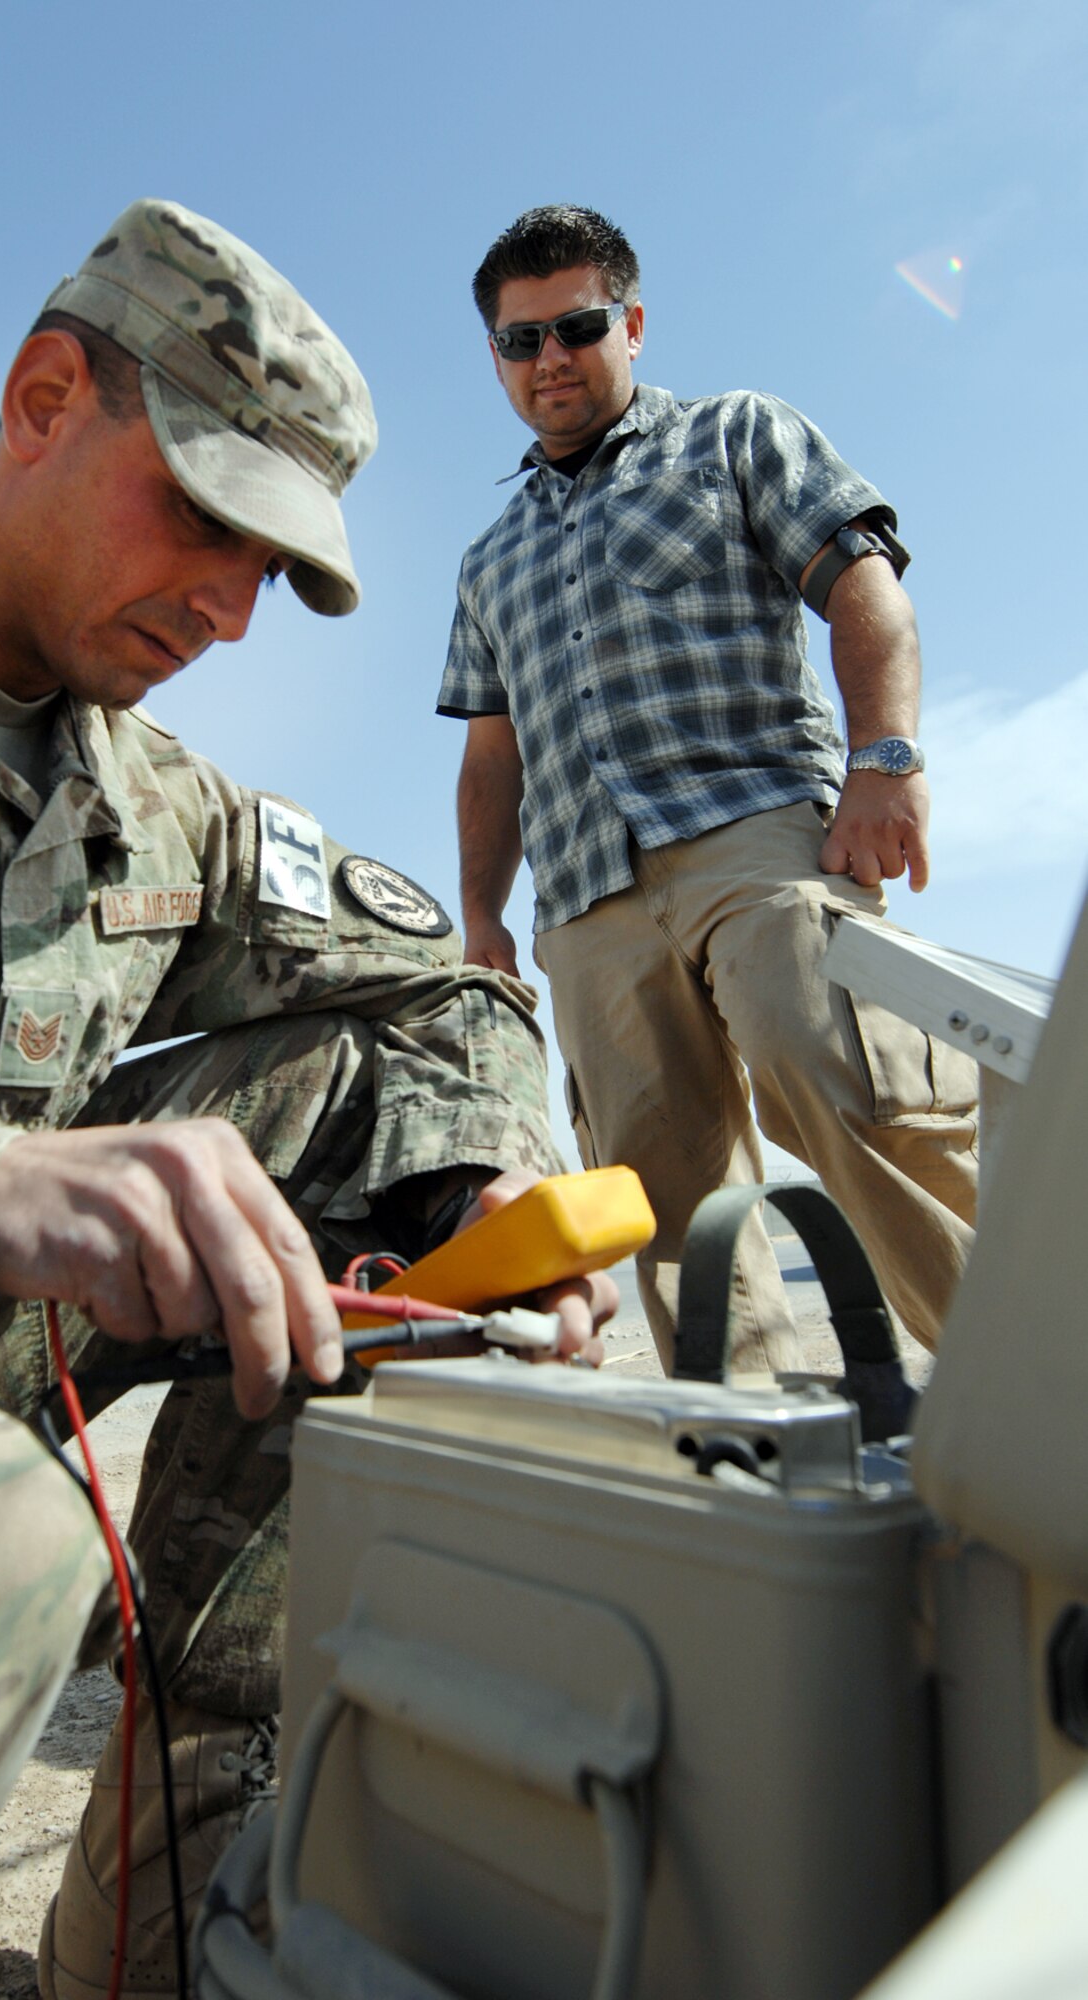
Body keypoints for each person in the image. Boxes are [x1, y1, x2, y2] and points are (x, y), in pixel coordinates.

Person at [0, 198, 615, 1995]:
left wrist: (478, 1202)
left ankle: (155, 1925)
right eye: (208, 523)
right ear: (39, 399)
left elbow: (443, 996)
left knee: (369, 1205)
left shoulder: (157, 804)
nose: (233, 612)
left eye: (279, 574)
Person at [439, 203, 978, 1375]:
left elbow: (863, 587)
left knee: (837, 1077)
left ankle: (1037, 1390)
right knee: (661, 1195)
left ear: (629, 322)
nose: (549, 361)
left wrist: (885, 758)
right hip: (586, 895)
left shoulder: (739, 436)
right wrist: (481, 918)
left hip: (757, 833)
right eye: (518, 342)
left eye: (575, 328)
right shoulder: (487, 560)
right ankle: (745, 1452)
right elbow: (493, 758)